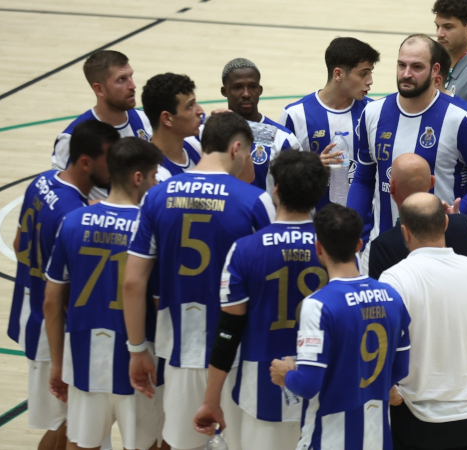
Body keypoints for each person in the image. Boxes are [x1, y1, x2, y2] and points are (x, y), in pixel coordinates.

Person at [123, 112, 275, 450]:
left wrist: (137, 349)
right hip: (239, 353)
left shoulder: (156, 197)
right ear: (237, 148)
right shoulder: (254, 201)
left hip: (178, 350)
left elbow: (132, 283)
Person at [191, 151, 329, 449]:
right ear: (320, 192)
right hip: (323, 389)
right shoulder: (339, 250)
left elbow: (228, 330)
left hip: (260, 392)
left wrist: (211, 399)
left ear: (275, 189)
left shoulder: (244, 250)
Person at [42, 138, 163, 450]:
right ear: (139, 178)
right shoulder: (149, 228)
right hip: (138, 355)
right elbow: (157, 301)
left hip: (83, 355)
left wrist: (57, 363)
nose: (156, 183)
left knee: (81, 444)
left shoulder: (72, 221)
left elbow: (52, 301)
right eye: (154, 176)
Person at [8, 120, 118, 450]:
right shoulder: (72, 217)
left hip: (32, 313)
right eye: (108, 159)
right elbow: (66, 294)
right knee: (70, 427)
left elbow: (17, 243)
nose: (114, 167)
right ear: (86, 162)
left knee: (68, 425)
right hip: (53, 328)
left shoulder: (41, 182)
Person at [268, 204, 411, 450]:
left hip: (329, 439)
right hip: (378, 438)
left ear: (318, 248)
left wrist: (286, 374)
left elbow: (307, 385)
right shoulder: (392, 296)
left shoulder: (318, 305)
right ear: (359, 245)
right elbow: (400, 368)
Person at [346, 34, 467, 246]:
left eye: (416, 67)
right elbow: (363, 179)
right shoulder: (372, 113)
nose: (406, 74)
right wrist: (350, 228)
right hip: (385, 244)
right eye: (401, 65)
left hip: (447, 245)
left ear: (435, 70)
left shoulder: (464, 119)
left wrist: (458, 210)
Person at [376, 193, 467, 450]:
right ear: (446, 224)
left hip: (418, 421)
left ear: (404, 232)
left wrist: (387, 387)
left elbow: (383, 347)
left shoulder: (394, 278)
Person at [279, 37, 380, 210]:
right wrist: (311, 166)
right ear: (338, 74)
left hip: (364, 229)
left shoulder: (374, 111)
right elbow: (279, 174)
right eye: (363, 73)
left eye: (370, 72)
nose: (370, 81)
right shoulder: (295, 115)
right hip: (313, 227)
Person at [52, 50, 149, 199]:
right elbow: (60, 195)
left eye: (131, 76)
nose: (132, 86)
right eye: (121, 79)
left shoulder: (145, 119)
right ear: (99, 89)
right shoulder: (72, 139)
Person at [367, 153, 467, 279]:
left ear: (391, 187)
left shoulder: (383, 245)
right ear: (432, 182)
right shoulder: (463, 225)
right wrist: (456, 220)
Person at [220, 58, 302, 192]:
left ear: (260, 90)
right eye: (237, 87)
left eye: (252, 87)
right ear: (224, 91)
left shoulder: (283, 139)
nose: (246, 94)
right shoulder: (207, 133)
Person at [140, 73, 205, 182]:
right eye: (190, 106)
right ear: (167, 119)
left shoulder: (197, 144)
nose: (200, 111)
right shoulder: (154, 176)